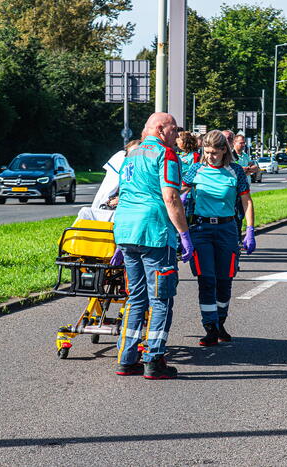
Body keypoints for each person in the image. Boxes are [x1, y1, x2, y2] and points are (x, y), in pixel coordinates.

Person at [113, 112, 194, 380]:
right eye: (173, 130)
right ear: (161, 129)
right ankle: (154, 359)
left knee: (136, 297)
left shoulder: (131, 155)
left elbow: (123, 194)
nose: (176, 135)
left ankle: (126, 358)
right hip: (154, 233)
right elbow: (171, 197)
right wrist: (184, 234)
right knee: (161, 299)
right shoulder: (166, 155)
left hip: (125, 231)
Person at [182, 130, 256, 346]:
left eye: (214, 152)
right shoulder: (196, 169)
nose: (210, 157)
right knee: (206, 279)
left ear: (225, 150)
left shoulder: (235, 172)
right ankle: (210, 326)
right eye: (206, 152)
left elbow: (247, 201)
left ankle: (220, 321)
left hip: (227, 230)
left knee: (225, 280)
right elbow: (176, 192)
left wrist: (250, 230)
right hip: (202, 229)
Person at [76, 140, 140, 222]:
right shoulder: (121, 161)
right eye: (130, 154)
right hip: (113, 208)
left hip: (130, 211)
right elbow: (108, 189)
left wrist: (122, 199)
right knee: (85, 213)